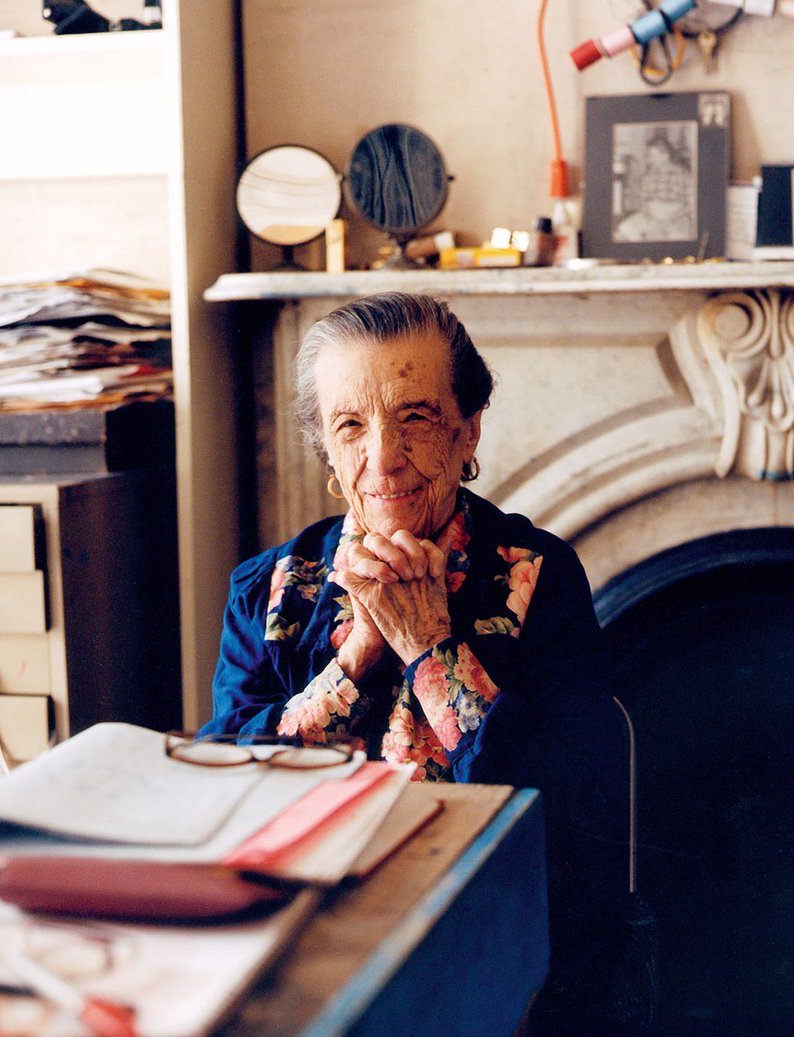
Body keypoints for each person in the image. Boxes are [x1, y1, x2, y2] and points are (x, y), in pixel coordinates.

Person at [201, 292, 638, 1034]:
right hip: (309, 936)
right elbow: (221, 796)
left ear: (467, 430)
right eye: (351, 426)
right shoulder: (270, 589)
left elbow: (577, 811)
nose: (384, 457)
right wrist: (356, 662)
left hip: (500, 934)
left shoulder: (539, 577)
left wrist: (430, 648)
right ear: (329, 454)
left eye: (415, 416)